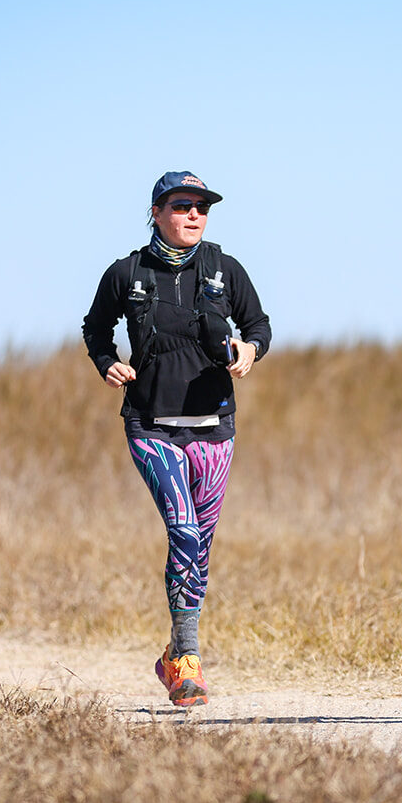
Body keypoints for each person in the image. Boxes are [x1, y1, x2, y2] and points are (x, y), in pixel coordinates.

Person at [83, 171, 271, 707]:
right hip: (151, 424)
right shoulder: (126, 273)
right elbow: (95, 328)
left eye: (202, 207)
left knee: (199, 545)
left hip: (214, 427)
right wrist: (106, 364)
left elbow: (259, 325)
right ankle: (189, 660)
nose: (194, 215)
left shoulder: (224, 269)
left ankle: (172, 655)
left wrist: (249, 351)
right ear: (157, 212)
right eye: (182, 205)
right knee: (183, 530)